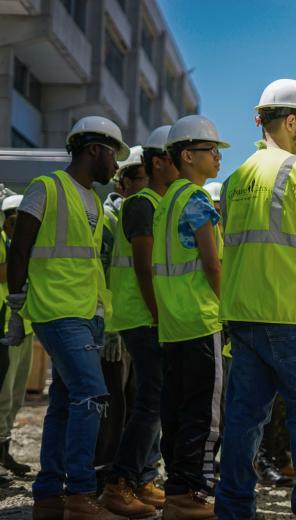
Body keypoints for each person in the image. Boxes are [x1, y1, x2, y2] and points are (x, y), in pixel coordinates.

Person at [215, 79, 296, 520]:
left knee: (243, 420)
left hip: (245, 320)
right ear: (291, 121)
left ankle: (232, 509)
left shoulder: (234, 181)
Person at [6, 116, 130, 520]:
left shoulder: (93, 200)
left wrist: (103, 318)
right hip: (57, 311)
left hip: (86, 313)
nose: (116, 167)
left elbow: (89, 263)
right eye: (114, 156)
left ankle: (47, 495)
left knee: (64, 402)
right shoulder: (46, 189)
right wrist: (18, 306)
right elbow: (19, 250)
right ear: (94, 149)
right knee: (92, 396)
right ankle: (79, 495)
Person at [98, 126, 178, 516]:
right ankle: (120, 482)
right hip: (140, 315)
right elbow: (145, 271)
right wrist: (162, 318)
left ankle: (140, 477)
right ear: (160, 162)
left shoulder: (157, 203)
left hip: (146, 314)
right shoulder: (142, 204)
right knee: (150, 399)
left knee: (154, 399)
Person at [153, 115, 228, 519]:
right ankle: (190, 496)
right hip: (201, 320)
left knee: (177, 411)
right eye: (211, 150)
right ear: (187, 155)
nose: (218, 157)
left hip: (173, 324)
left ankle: (177, 490)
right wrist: (228, 306)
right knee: (204, 412)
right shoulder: (197, 200)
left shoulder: (167, 201)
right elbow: (212, 264)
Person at [94, 147, 144, 496]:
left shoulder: (141, 214)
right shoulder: (109, 219)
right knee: (113, 407)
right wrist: (110, 329)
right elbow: (104, 276)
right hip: (115, 327)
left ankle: (126, 478)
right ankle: (103, 478)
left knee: (133, 402)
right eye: (139, 178)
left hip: (135, 324)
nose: (145, 184)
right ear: (122, 181)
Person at [0, 194, 33, 477]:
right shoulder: (5, 244)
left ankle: (5, 452)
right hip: (5, 326)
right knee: (4, 394)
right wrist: (23, 255)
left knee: (17, 394)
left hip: (26, 325)